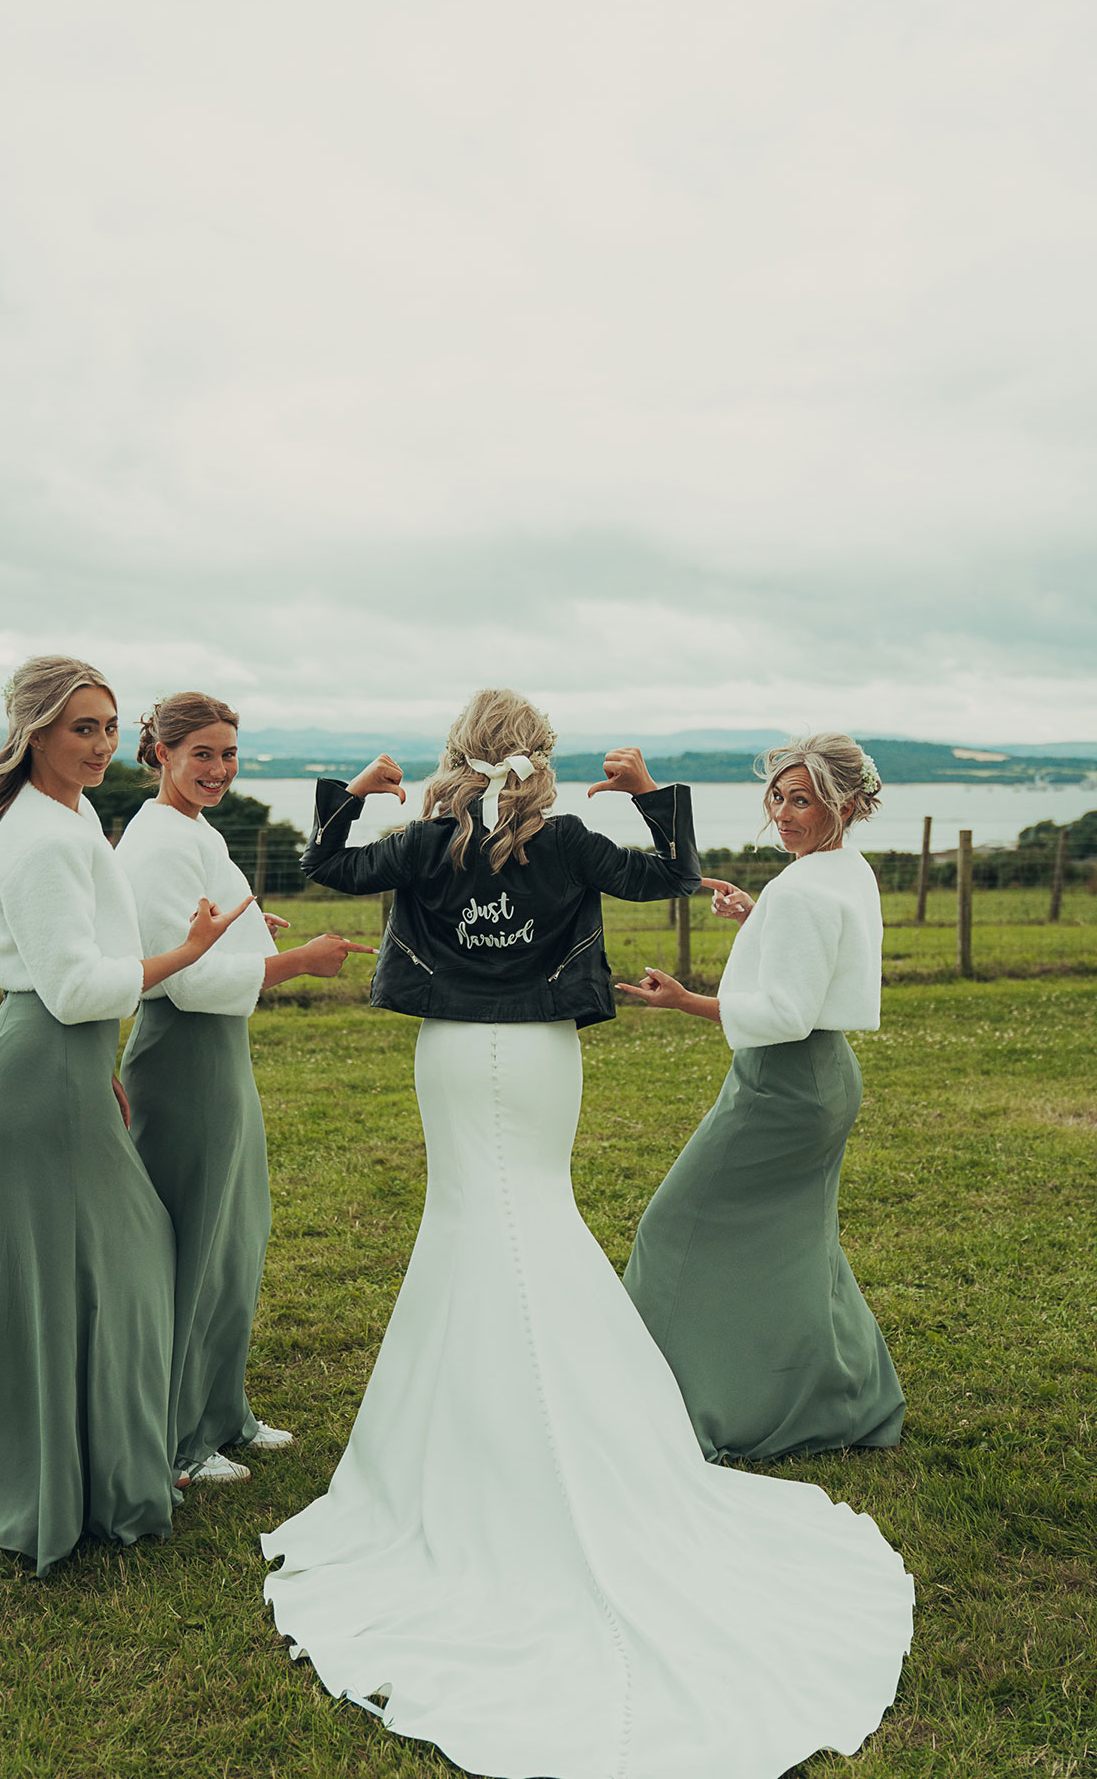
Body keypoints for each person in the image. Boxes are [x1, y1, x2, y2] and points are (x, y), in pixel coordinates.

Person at [261, 691, 913, 1779]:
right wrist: (652, 795)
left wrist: (354, 794)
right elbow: (670, 876)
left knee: (469, 1217)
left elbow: (330, 867)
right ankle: (586, 1419)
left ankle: (477, 1438)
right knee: (536, 1214)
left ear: (457, 757)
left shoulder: (424, 842)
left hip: (452, 1055)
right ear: (541, 762)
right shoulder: (564, 840)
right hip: (543, 1053)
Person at [0, 656, 252, 1576]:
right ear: (34, 735)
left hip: (64, 1065)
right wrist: (187, 953)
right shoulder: (44, 835)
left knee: (72, 1275)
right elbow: (75, 987)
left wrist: (94, 1066)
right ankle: (94, 1480)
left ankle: (85, 1470)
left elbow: (5, 952)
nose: (100, 746)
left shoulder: (65, 814)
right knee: (119, 1265)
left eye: (107, 727)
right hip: (44, 1065)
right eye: (80, 729)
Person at [619, 733, 906, 1464]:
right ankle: (837, 1396)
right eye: (777, 797)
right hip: (826, 1076)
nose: (782, 813)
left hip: (781, 1085)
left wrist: (684, 1001)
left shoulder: (803, 889)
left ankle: (664, 1402)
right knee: (798, 1242)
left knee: (672, 1228)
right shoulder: (845, 870)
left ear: (845, 805)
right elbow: (820, 958)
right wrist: (759, 916)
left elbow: (785, 1013)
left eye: (801, 800)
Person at [115, 692, 373, 1483]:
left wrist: (259, 933)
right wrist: (297, 963)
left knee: (235, 1239)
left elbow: (207, 932)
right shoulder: (158, 840)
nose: (220, 769)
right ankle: (180, 1442)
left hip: (219, 1053)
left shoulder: (194, 829)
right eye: (203, 754)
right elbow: (184, 979)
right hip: (182, 1055)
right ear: (162, 753)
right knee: (195, 1245)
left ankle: (223, 1412)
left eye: (229, 754)